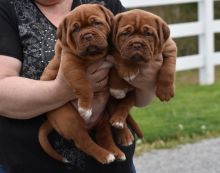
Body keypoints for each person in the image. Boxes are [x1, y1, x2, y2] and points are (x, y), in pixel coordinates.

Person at [0, 0, 155, 173]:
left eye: (97, 23)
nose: (88, 34)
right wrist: (64, 90)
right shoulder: (6, 7)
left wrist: (146, 77)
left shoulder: (106, 3)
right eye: (76, 29)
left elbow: (143, 96)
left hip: (114, 167)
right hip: (30, 164)